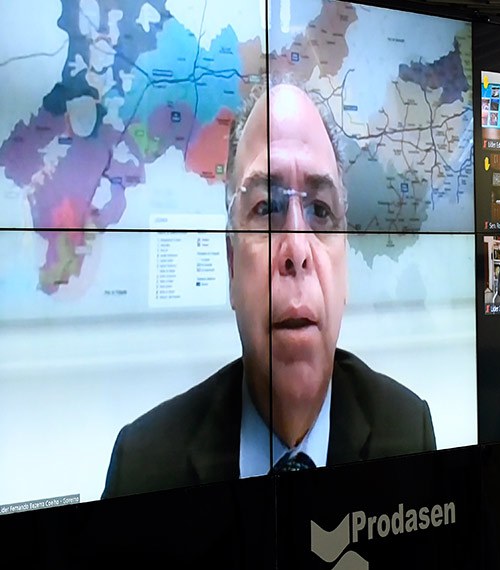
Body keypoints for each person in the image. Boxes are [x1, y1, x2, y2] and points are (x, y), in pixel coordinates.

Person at [101, 82, 436, 499]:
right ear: (231, 265)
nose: (296, 249)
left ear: (345, 267)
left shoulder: (408, 436)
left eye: (320, 211)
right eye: (266, 208)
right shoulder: (142, 470)